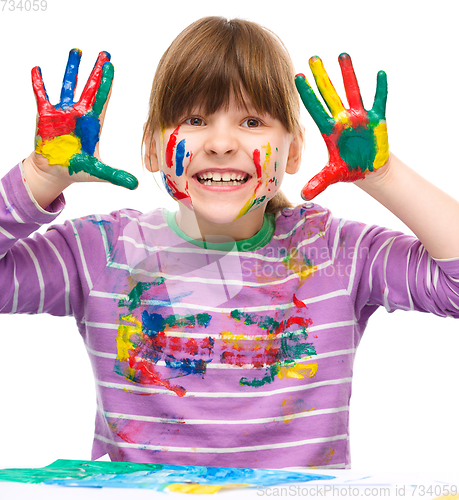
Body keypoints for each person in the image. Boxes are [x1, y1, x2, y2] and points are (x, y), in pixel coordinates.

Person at [1, 16, 458, 470]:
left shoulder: (334, 251)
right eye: (195, 119)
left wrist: (383, 174)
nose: (221, 142)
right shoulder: (101, 251)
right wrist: (41, 175)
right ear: (152, 148)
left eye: (253, 120)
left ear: (295, 150)